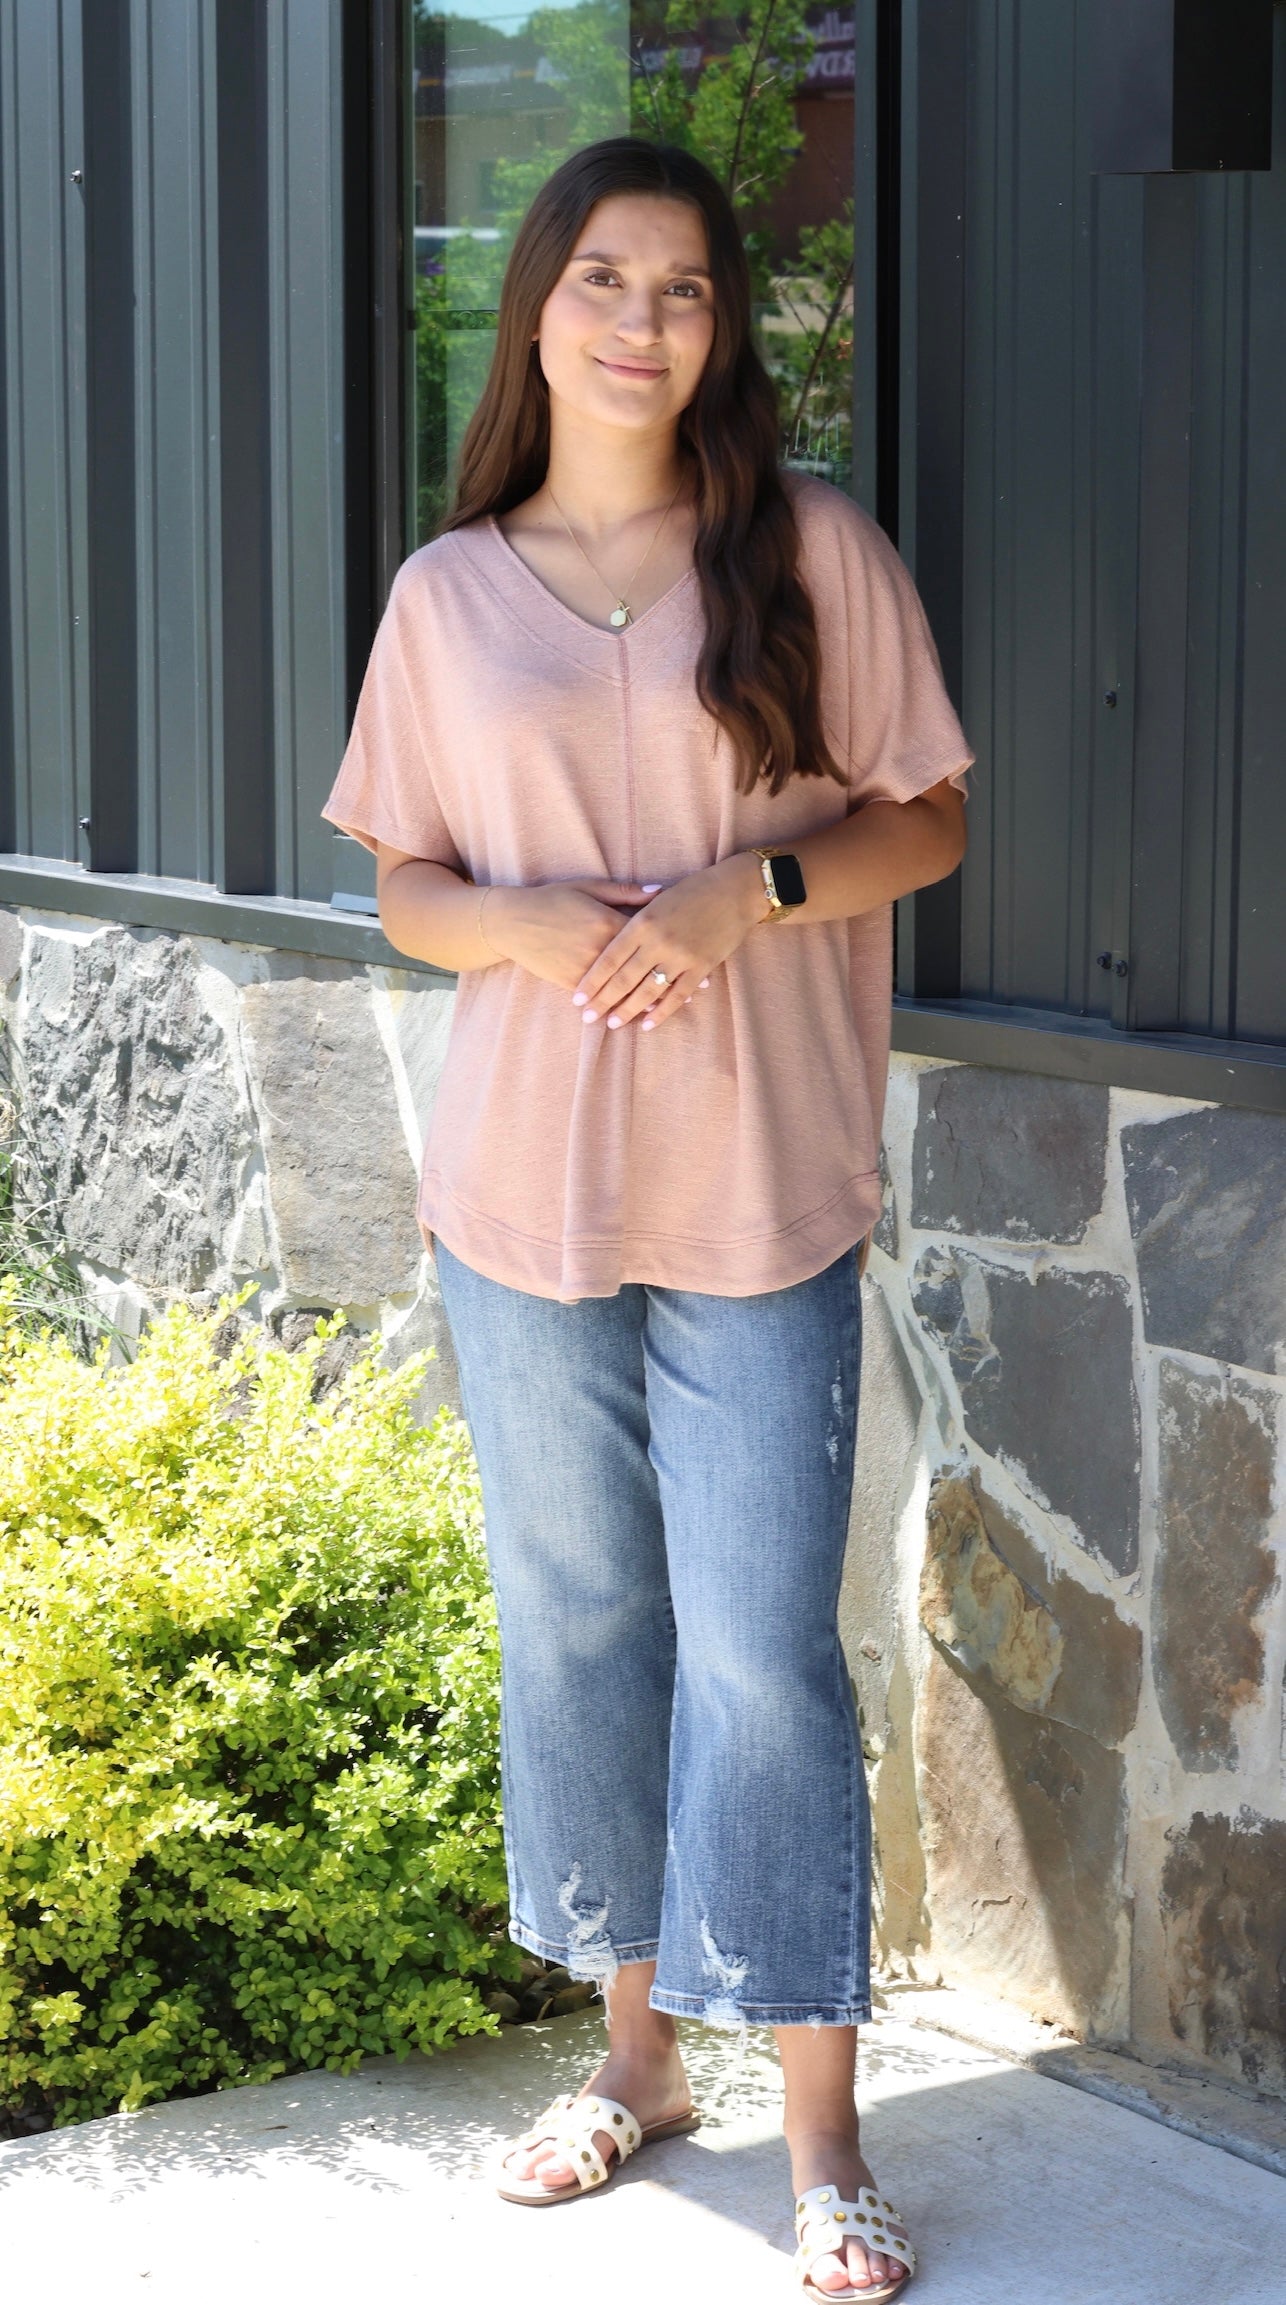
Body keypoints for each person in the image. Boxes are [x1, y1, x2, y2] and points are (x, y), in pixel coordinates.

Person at [322, 136, 971, 2301]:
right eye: (602, 278)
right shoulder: (448, 592)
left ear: (721, 329)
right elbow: (402, 880)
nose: (639, 320)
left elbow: (929, 821)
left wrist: (747, 889)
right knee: (582, 1631)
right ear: (536, 307)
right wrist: (503, 922)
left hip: (760, 1189)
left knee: (768, 1661)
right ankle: (635, 2060)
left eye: (684, 288)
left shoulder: (806, 553)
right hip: (519, 1201)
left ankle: (820, 2130)